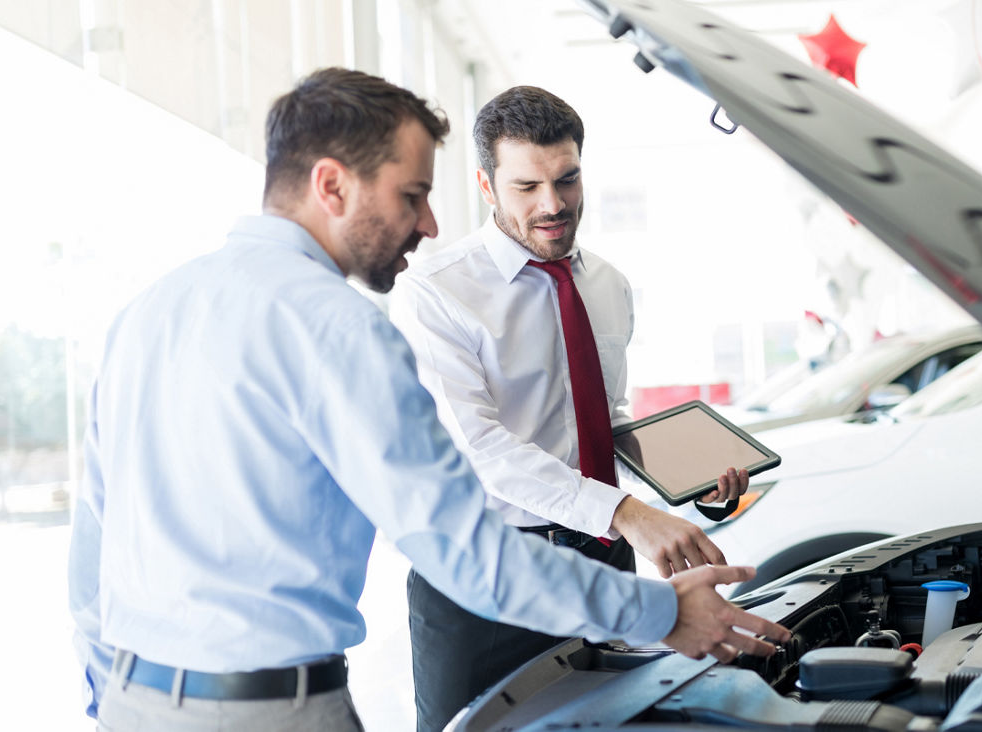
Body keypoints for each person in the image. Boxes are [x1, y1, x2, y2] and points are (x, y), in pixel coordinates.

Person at [66, 68, 789, 731]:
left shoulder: (146, 312)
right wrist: (661, 612)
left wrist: (108, 687)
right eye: (411, 196)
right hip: (277, 706)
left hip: (136, 699)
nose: (428, 224)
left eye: (567, 180)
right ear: (332, 185)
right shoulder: (342, 327)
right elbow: (466, 549)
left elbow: (93, 531)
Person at [389, 86, 749, 731]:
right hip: (483, 574)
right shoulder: (435, 293)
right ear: (486, 185)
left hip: (598, 562)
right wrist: (628, 513)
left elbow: (600, 420)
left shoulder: (608, 285)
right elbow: (481, 449)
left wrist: (692, 483)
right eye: (527, 187)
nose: (553, 205)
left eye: (568, 179)